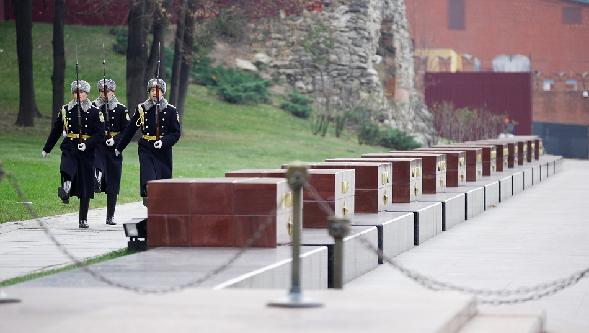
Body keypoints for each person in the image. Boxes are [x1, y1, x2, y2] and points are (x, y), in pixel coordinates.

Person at [42, 80, 105, 229]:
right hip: (70, 147)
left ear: (87, 94)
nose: (78, 95)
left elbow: (100, 135)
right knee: (66, 167)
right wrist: (47, 148)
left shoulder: (95, 112)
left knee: (85, 185)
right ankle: (66, 187)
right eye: (76, 92)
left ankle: (83, 219)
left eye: (81, 92)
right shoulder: (65, 110)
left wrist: (87, 144)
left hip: (87, 151)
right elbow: (56, 130)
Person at [115, 78, 181, 206]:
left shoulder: (171, 111)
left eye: (157, 90)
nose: (154, 93)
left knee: (163, 183)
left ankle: (159, 210)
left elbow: (175, 133)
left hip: (163, 150)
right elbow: (130, 129)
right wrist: (119, 147)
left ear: (163, 92)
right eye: (152, 90)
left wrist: (163, 142)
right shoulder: (142, 109)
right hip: (146, 148)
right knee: (148, 175)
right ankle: (147, 193)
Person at [93, 78, 130, 225]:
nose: (105, 94)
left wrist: (116, 140)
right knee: (97, 164)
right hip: (98, 144)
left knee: (113, 182)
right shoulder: (93, 107)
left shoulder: (121, 109)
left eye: (107, 91)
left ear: (113, 92)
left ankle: (110, 216)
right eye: (102, 91)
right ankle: (97, 177)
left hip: (114, 147)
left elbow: (127, 130)